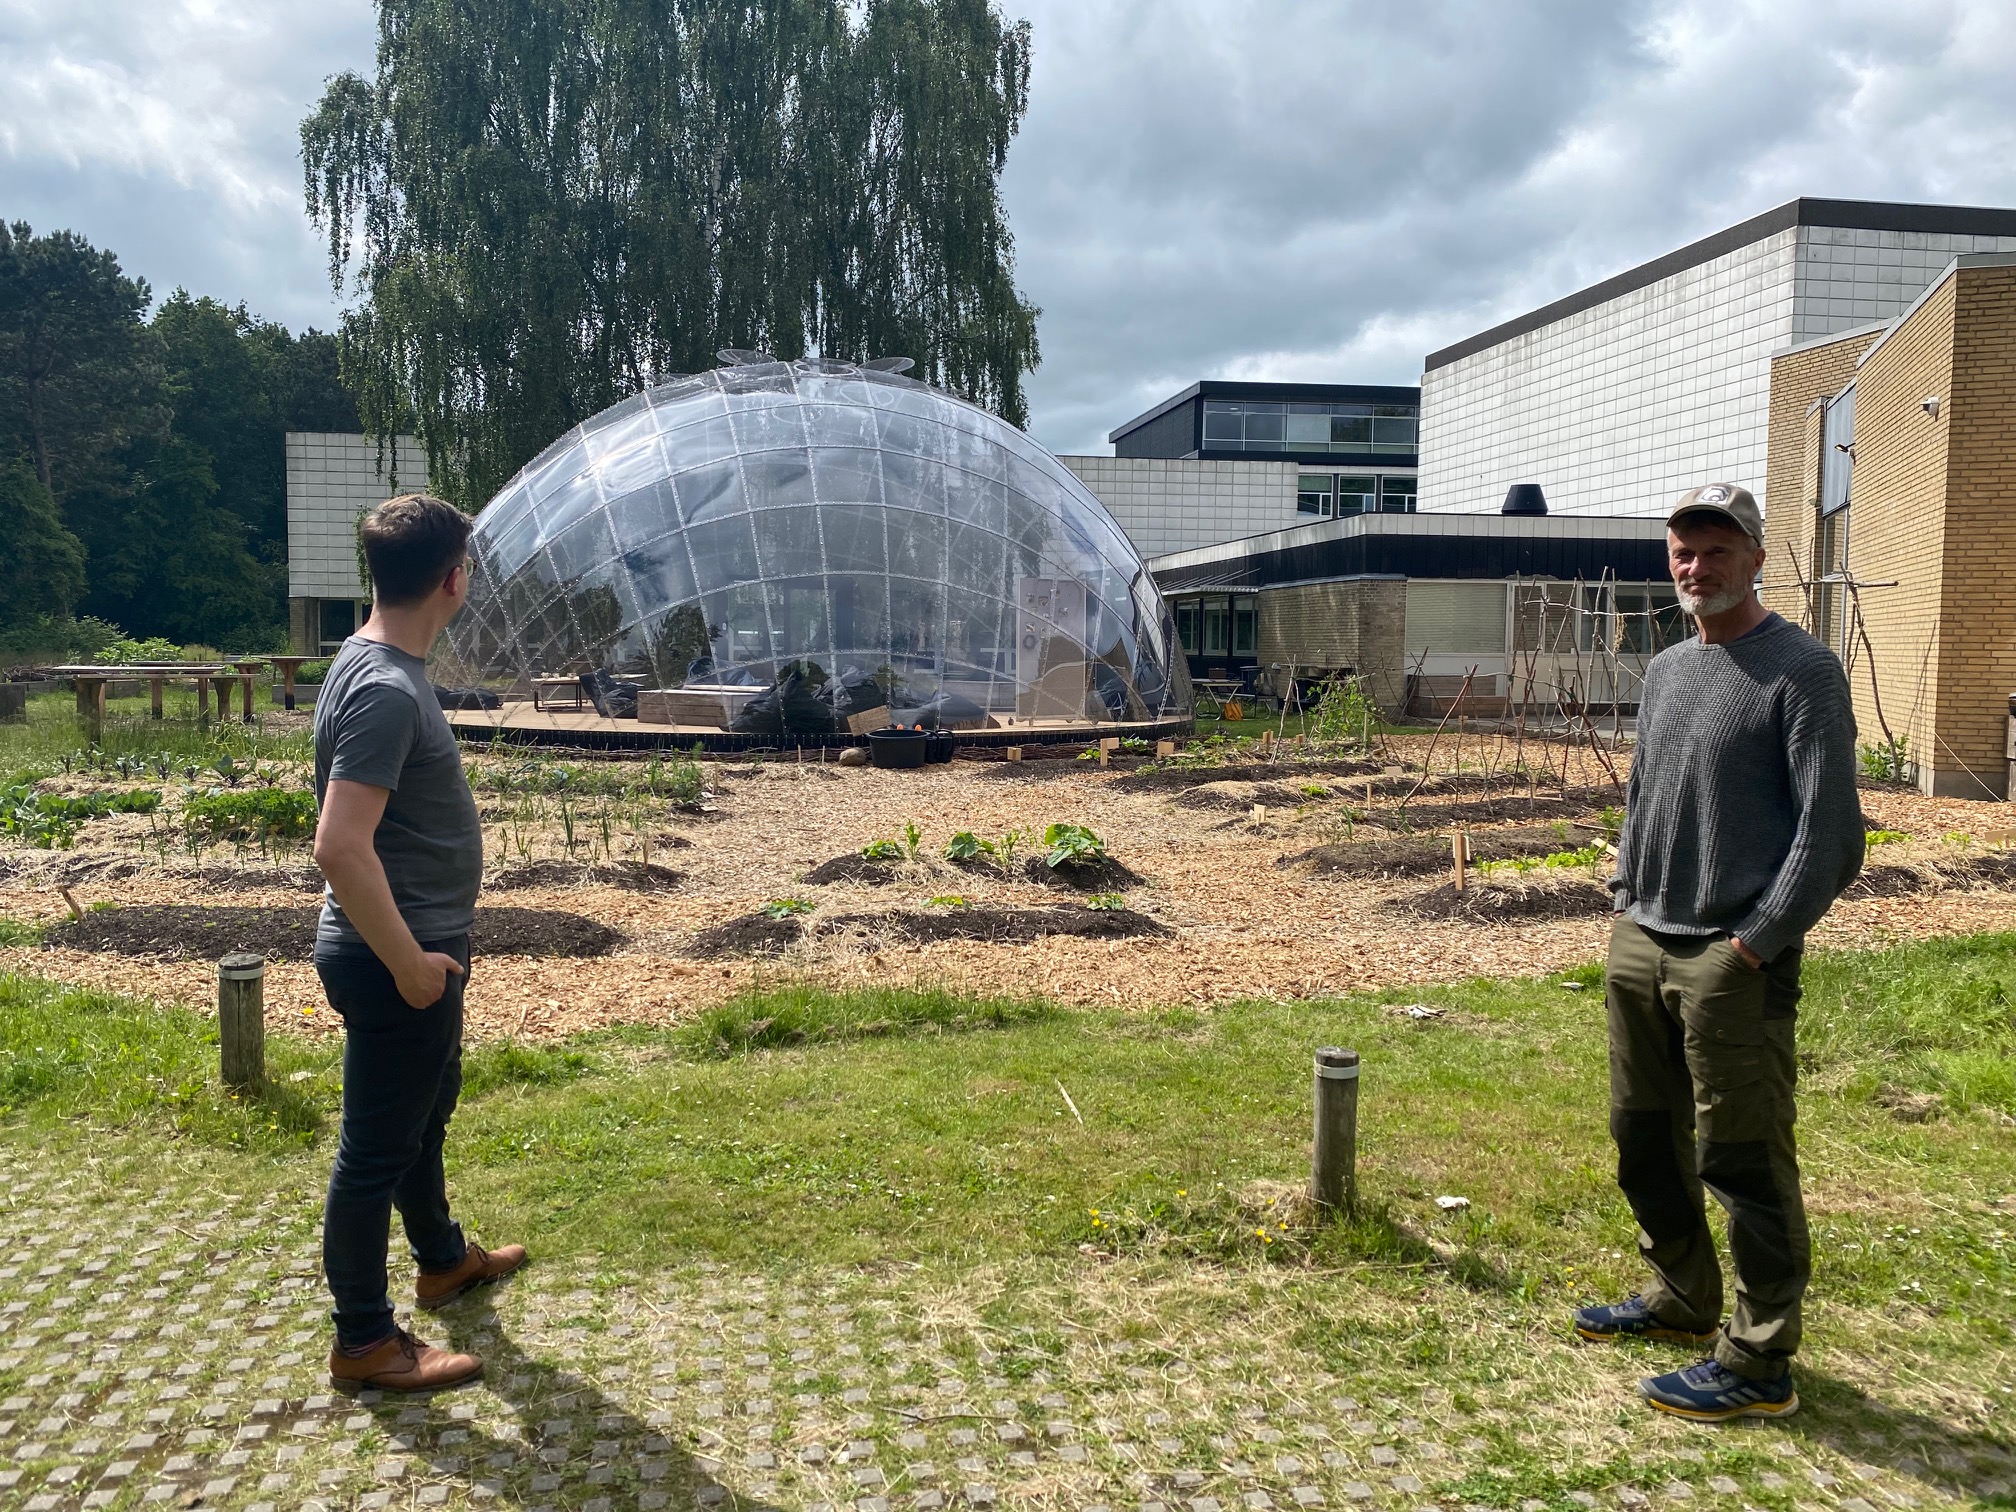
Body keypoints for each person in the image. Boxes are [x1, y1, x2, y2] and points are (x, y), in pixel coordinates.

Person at [1575, 482, 1863, 1422]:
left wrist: (1755, 944)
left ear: (1755, 558)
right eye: (1683, 551)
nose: (1696, 567)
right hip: (1642, 935)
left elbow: (1831, 838)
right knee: (1640, 1137)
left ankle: (1760, 1361)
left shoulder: (1802, 671)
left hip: (1728, 956)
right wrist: (1626, 896)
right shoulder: (1665, 671)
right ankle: (1684, 1298)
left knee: (1742, 1158)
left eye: (1716, 550)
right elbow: (1643, 796)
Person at [312, 494, 525, 1394]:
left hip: (416, 949)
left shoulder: (374, 663)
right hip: (395, 956)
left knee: (421, 1117)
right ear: (452, 578)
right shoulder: (387, 688)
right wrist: (406, 963)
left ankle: (442, 1260)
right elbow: (338, 843)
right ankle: (364, 1340)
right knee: (373, 1149)